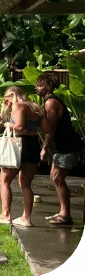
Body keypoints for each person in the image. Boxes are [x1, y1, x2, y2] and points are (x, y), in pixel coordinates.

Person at [0, 86, 43, 228]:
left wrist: (4, 122)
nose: (6, 102)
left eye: (6, 99)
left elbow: (18, 126)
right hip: (33, 146)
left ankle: (5, 214)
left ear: (12, 95)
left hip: (18, 146)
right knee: (25, 184)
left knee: (4, 180)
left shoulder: (19, 106)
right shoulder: (34, 107)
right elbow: (36, 128)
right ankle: (26, 218)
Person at [38, 73, 84, 226]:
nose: (36, 87)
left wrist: (44, 147)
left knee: (58, 178)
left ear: (48, 86)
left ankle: (65, 215)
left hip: (66, 145)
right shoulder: (49, 101)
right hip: (59, 146)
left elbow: (50, 128)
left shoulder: (51, 103)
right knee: (55, 177)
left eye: (40, 85)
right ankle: (63, 211)